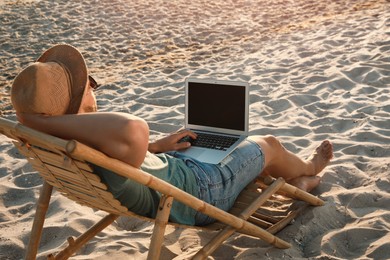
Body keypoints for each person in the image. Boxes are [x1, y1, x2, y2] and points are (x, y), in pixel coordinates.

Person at [11, 44, 333, 226]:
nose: (93, 88)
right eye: (87, 86)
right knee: (269, 144)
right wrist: (38, 119)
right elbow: (133, 128)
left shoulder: (66, 145)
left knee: (223, 147)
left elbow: (127, 155)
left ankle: (290, 180)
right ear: (72, 106)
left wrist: (154, 148)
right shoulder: (85, 135)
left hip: (172, 171)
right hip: (202, 192)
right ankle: (308, 170)